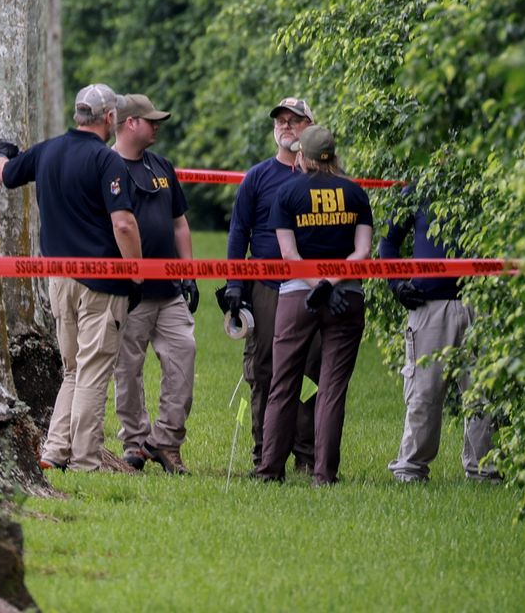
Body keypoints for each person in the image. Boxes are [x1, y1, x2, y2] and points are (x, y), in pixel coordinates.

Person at [0, 84, 140, 474]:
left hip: (58, 279)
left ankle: (54, 450)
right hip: (102, 281)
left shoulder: (48, 150)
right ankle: (86, 461)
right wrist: (136, 273)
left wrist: (1, 152)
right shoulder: (107, 161)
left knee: (73, 370)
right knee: (92, 371)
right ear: (109, 117)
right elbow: (124, 224)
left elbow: (6, 176)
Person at [257, 126, 371, 485]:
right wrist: (331, 284)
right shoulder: (355, 193)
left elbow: (290, 255)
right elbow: (362, 252)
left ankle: (270, 470)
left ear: (302, 157)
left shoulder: (287, 192)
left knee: (283, 384)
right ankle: (324, 475)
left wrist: (316, 285)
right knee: (332, 388)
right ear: (333, 156)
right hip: (346, 297)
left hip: (297, 296)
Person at [217, 96, 322, 474]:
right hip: (266, 286)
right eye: (280, 120)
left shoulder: (322, 179)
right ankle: (264, 453)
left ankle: (306, 455)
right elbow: (238, 233)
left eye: (294, 120)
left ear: (310, 126)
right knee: (263, 370)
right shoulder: (257, 177)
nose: (286, 126)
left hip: (311, 287)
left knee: (310, 370)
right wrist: (234, 283)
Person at [103, 93, 198, 475]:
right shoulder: (106, 166)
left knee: (183, 358)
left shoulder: (161, 166)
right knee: (127, 371)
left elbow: (179, 224)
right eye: (150, 120)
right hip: (130, 292)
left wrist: (189, 273)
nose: (157, 125)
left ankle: (166, 442)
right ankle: (135, 442)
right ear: (130, 123)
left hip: (169, 290)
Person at [380, 200, 499, 483]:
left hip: (479, 302)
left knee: (482, 394)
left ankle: (485, 471)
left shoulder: (484, 187)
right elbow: (388, 241)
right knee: (424, 393)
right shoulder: (418, 191)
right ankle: (410, 470)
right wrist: (397, 284)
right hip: (428, 305)